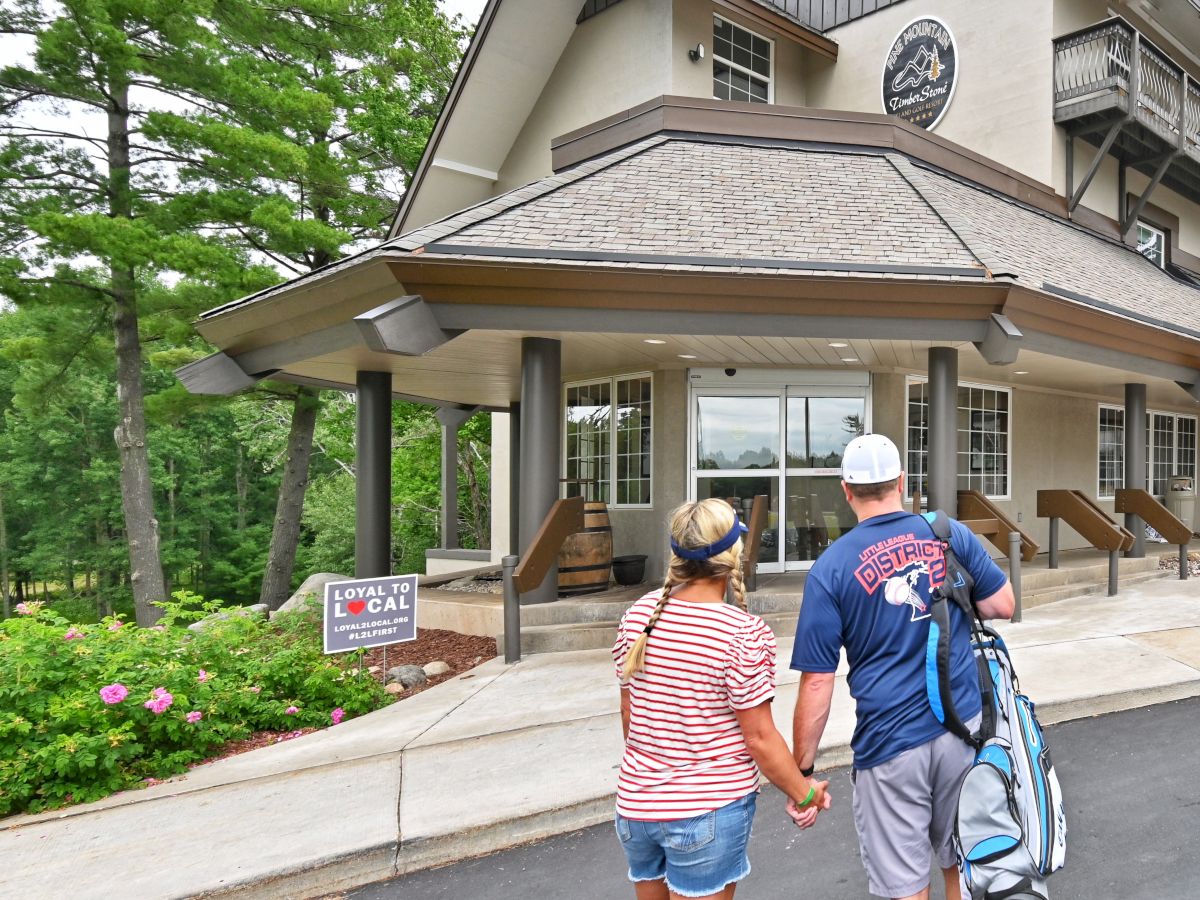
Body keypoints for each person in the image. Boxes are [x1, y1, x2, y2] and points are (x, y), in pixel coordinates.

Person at [790, 434, 1016, 900]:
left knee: (906, 887)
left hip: (891, 747)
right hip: (963, 729)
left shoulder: (830, 568)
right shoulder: (948, 535)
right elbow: (1002, 605)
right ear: (902, 481)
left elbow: (817, 682)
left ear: (846, 490)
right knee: (963, 865)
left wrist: (803, 772)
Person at [613, 498, 831, 900]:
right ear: (732, 554)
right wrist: (804, 792)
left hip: (636, 808)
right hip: (706, 811)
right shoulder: (742, 634)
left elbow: (631, 714)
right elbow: (760, 738)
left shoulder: (638, 617)